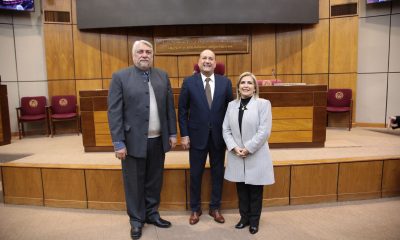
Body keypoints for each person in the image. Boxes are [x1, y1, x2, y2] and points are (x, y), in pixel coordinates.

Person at [108, 40, 177, 240]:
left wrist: (172, 133)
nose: (144, 55)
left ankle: (152, 214)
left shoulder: (162, 76)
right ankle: (136, 220)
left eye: (148, 51)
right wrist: (118, 142)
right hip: (132, 142)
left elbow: (169, 109)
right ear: (133, 55)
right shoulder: (120, 77)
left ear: (153, 55)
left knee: (154, 181)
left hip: (158, 140)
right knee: (134, 183)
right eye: (140, 52)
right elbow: (114, 112)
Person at [178, 49, 233, 225]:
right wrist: (184, 135)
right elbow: (183, 111)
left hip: (219, 137)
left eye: (211, 58)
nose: (207, 61)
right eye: (204, 58)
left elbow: (230, 110)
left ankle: (215, 207)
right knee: (195, 174)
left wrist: (230, 136)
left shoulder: (225, 82)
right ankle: (195, 208)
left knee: (218, 173)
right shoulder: (188, 82)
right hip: (196, 137)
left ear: (215, 63)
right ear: (199, 62)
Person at [222, 72, 275, 234]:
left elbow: (264, 131)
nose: (246, 85)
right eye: (242, 83)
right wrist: (234, 147)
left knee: (255, 191)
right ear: (238, 87)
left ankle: (254, 221)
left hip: (256, 154)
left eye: (249, 83)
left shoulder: (263, 104)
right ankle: (243, 218)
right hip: (236, 154)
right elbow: (226, 129)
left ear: (254, 87)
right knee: (241, 190)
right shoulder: (232, 105)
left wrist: (248, 148)